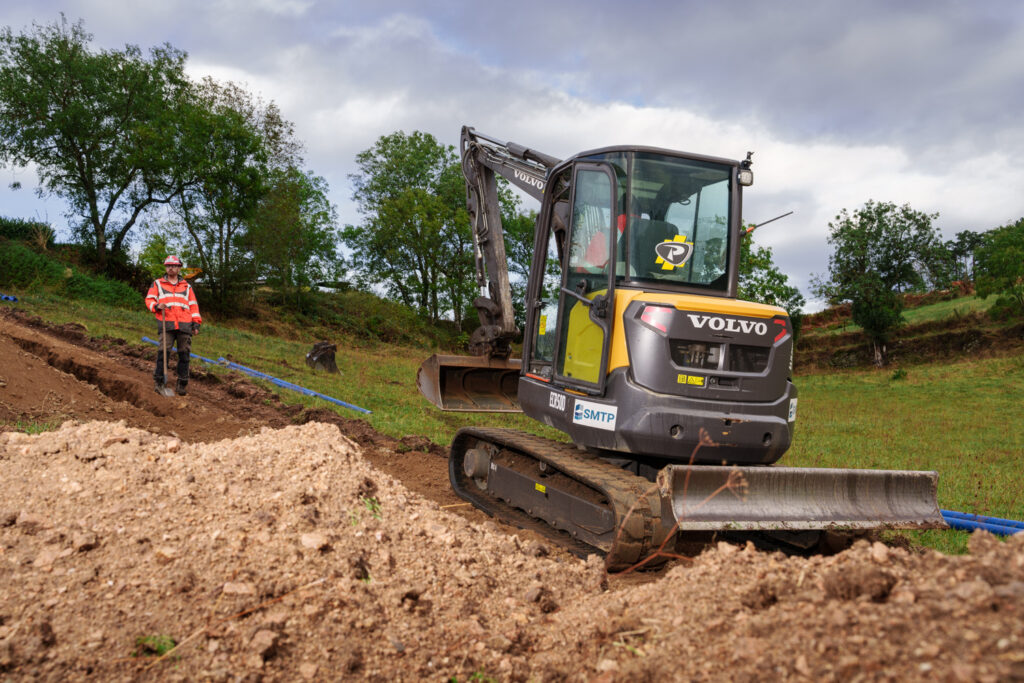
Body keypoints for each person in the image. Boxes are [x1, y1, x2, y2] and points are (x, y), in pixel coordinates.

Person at [145, 255, 202, 395]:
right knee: (163, 352)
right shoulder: (158, 283)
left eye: (174, 265)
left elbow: (193, 306)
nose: (171, 267)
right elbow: (149, 299)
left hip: (185, 325)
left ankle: (182, 383)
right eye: (168, 265)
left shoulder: (187, 287)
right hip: (167, 323)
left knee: (184, 354)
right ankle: (159, 381)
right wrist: (157, 306)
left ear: (179, 268)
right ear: (165, 267)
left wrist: (196, 324)